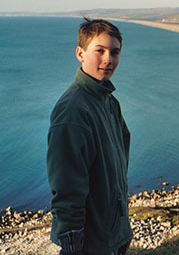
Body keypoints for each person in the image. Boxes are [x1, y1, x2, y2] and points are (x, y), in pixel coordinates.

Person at [47, 18, 132, 255]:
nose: (108, 59)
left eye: (114, 52)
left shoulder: (109, 103)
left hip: (114, 233)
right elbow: (66, 184)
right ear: (80, 53)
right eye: (100, 50)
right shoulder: (73, 110)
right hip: (92, 243)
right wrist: (72, 240)